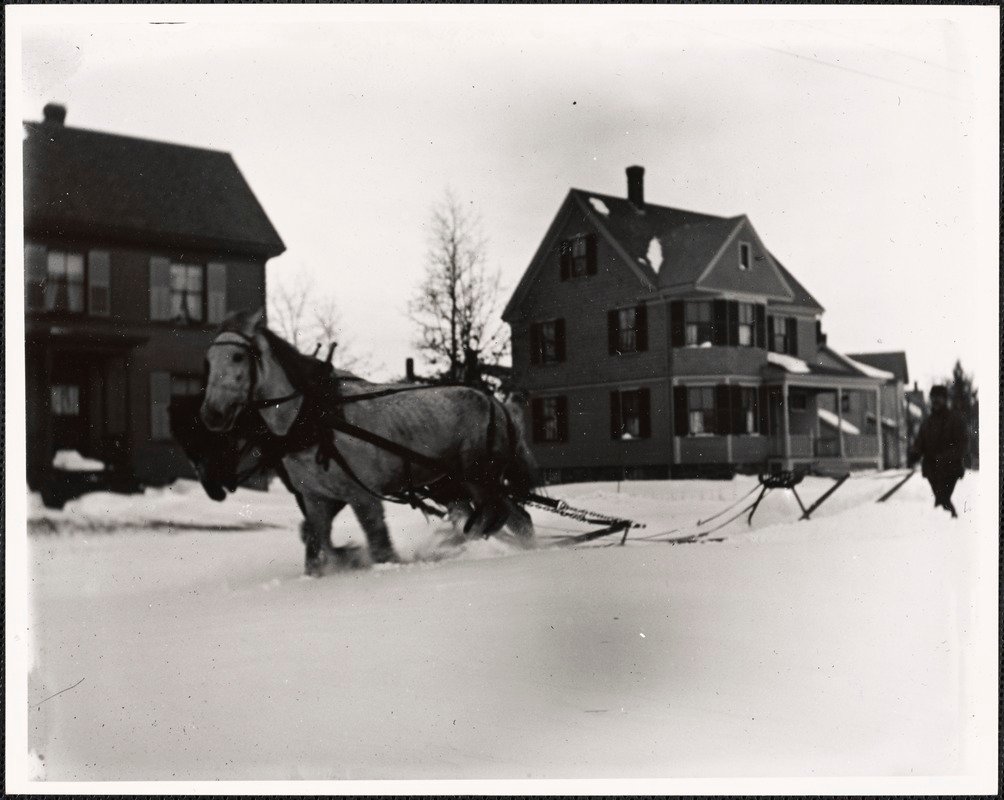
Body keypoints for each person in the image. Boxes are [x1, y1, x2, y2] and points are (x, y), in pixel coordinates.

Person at [908, 385, 968, 518]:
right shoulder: (927, 422)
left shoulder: (955, 419)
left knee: (942, 499)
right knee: (941, 500)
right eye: (933, 397)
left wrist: (945, 457)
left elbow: (962, 445)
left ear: (945, 399)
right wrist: (915, 453)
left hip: (951, 468)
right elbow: (920, 442)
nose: (935, 401)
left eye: (939, 398)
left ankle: (951, 524)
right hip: (931, 470)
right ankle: (948, 525)